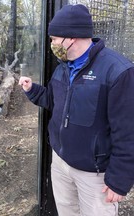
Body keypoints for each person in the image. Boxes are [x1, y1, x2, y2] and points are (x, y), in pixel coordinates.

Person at [19, 4, 134, 216]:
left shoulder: (118, 71)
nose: (52, 44)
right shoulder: (63, 67)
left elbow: (128, 130)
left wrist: (120, 179)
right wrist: (32, 90)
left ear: (70, 38)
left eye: (54, 39)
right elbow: (55, 103)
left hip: (94, 174)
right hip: (61, 164)